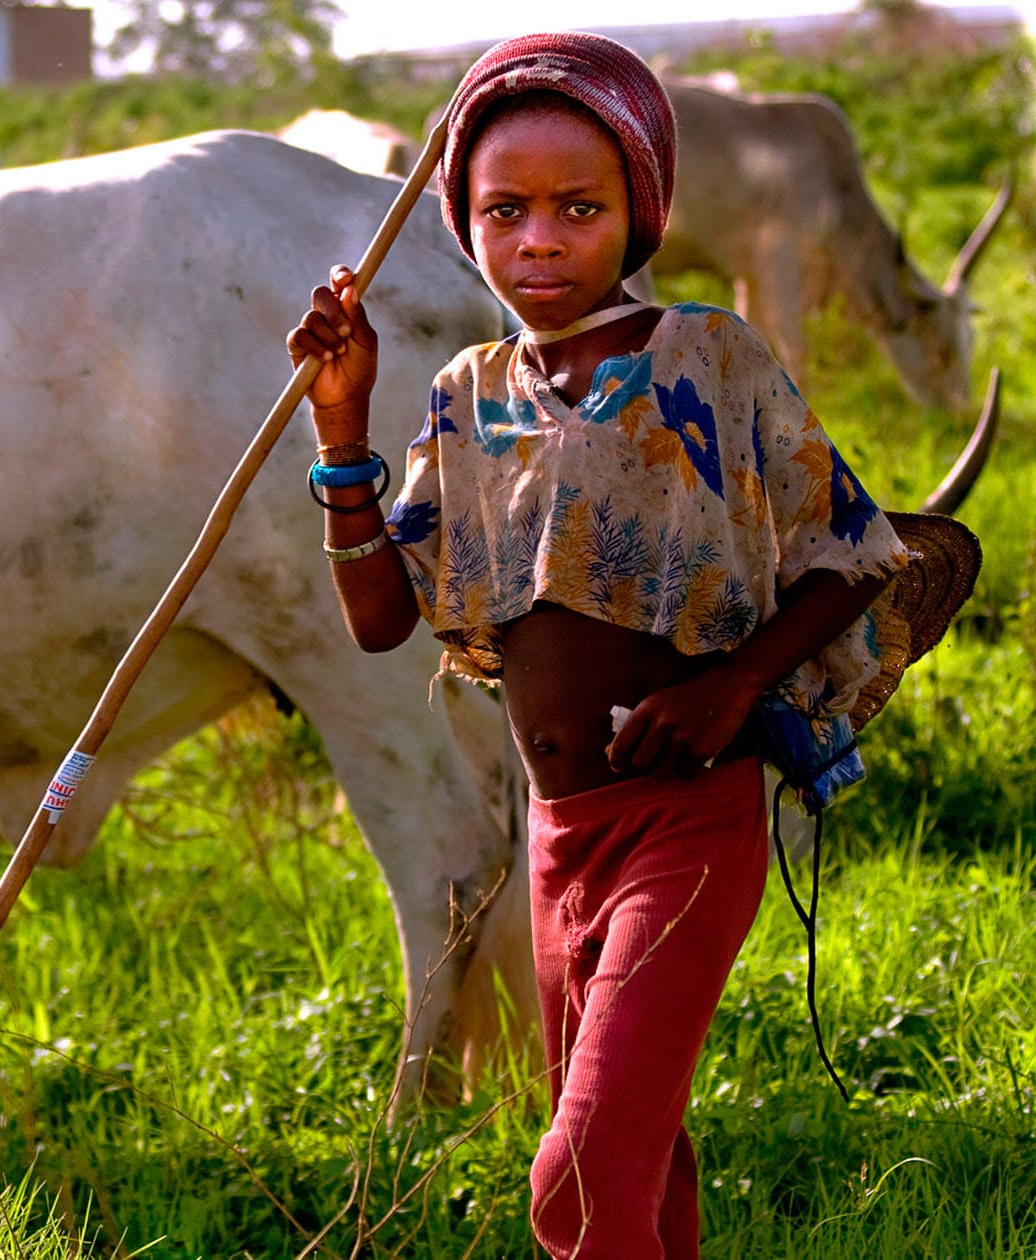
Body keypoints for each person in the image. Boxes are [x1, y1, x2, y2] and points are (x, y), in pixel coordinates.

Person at [287, 34, 927, 1259]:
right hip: (556, 839)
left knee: (577, 1173)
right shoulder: (464, 395)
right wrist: (339, 418)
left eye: (577, 209)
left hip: (687, 818)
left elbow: (853, 552)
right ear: (460, 223)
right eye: (502, 210)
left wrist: (731, 688)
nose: (537, 240)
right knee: (637, 1153)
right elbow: (378, 617)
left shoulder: (708, 356)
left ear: (639, 213)